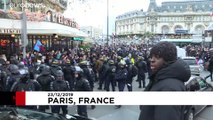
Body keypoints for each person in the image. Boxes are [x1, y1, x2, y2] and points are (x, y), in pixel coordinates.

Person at [138, 42, 191, 120]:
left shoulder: (169, 88)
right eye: (151, 57)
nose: (152, 60)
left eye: (157, 57)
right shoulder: (160, 78)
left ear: (168, 60)